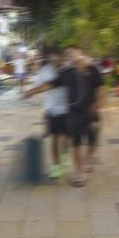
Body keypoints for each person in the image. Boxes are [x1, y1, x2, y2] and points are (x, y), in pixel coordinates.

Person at [25, 45, 103, 187]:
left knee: (93, 139)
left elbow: (100, 88)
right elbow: (50, 85)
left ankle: (88, 159)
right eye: (69, 54)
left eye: (74, 52)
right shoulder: (66, 72)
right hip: (73, 112)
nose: (72, 56)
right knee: (76, 142)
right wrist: (33, 91)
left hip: (91, 111)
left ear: (81, 52)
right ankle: (80, 173)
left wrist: (98, 104)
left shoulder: (92, 69)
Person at [32, 46, 70, 179]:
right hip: (51, 108)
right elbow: (37, 85)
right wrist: (32, 91)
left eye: (57, 55)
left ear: (62, 57)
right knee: (54, 138)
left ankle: (65, 152)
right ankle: (56, 167)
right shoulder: (44, 70)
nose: (55, 58)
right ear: (49, 57)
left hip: (67, 108)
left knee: (65, 136)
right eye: (52, 56)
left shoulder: (68, 69)